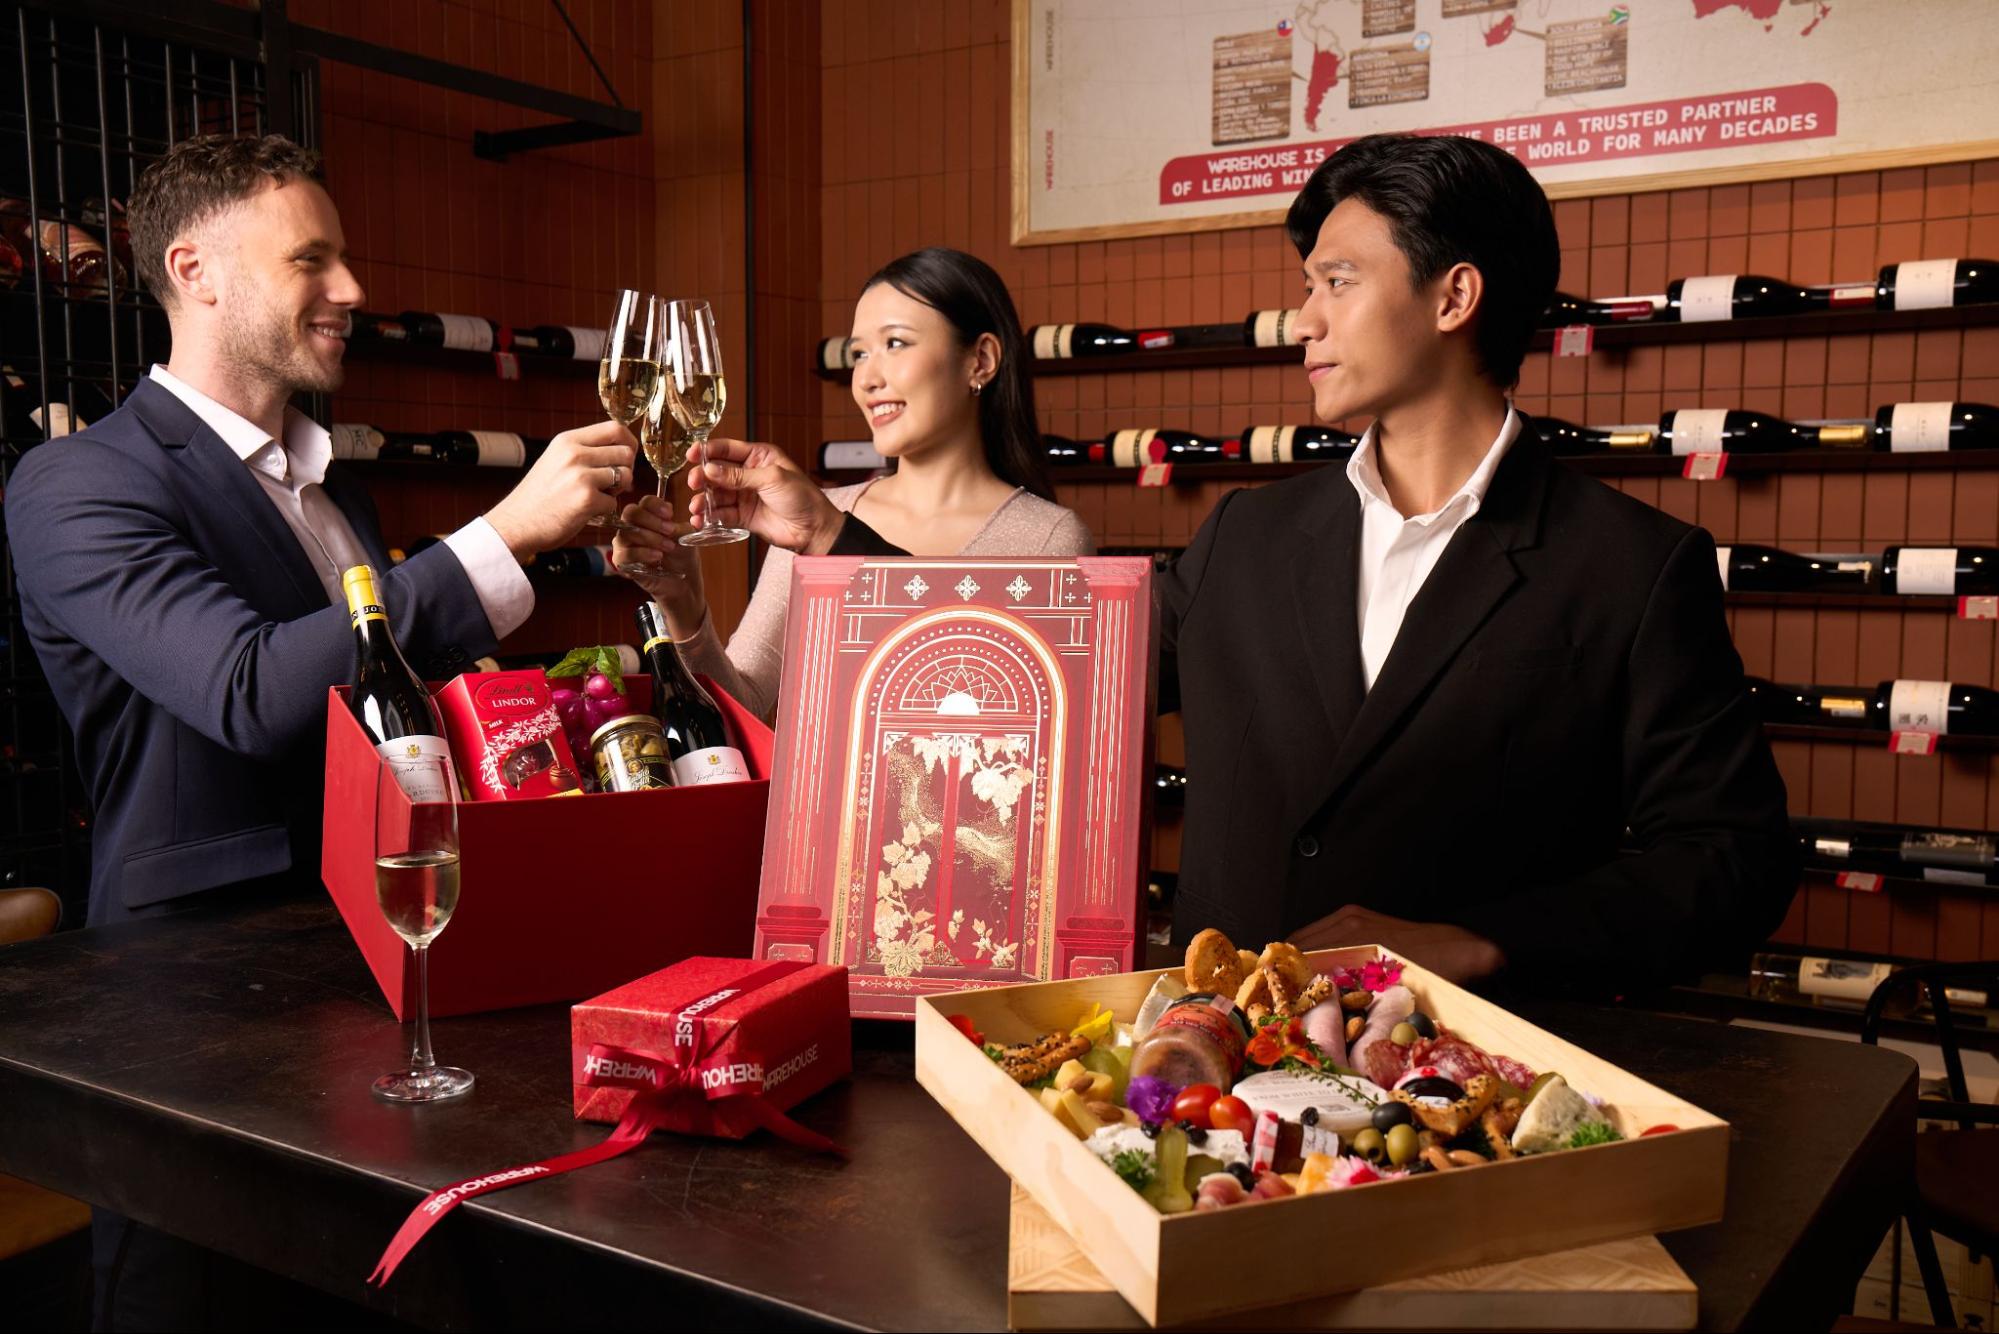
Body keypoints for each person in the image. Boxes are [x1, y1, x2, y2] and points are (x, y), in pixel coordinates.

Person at [684, 135, 1797, 996]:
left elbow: (1731, 858)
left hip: (1469, 1105)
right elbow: (1029, 678)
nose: (1302, 319)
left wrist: (1477, 940)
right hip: (1217, 1093)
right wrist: (830, 539)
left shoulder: (1631, 567)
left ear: (1454, 297)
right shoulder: (1246, 538)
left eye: (1337, 283)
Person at [6, 132, 634, 928]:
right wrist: (506, 531)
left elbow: (383, 691)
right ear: (194, 272)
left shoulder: (336, 486)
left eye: (342, 259)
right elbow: (250, 693)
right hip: (199, 959)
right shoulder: (77, 480)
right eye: (311, 259)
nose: (352, 288)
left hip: (390, 906)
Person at [611, 247, 1091, 720]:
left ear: (980, 360)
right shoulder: (812, 517)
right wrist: (686, 608)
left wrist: (830, 536)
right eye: (859, 353)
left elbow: (996, 710)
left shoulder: (1049, 537)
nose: (866, 379)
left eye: (896, 343)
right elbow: (740, 716)